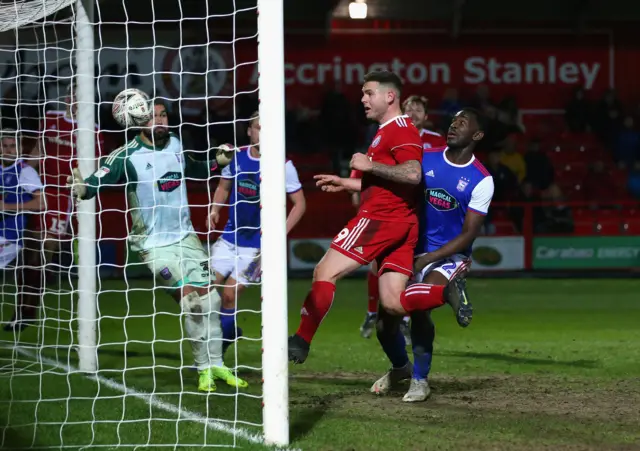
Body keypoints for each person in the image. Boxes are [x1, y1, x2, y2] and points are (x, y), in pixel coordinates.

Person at [67, 98, 247, 393]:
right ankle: (203, 370)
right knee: (191, 303)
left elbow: (197, 169)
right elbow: (100, 179)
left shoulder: (176, 144)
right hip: (152, 244)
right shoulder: (128, 156)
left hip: (186, 237)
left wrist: (218, 162)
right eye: (153, 116)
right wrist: (83, 188)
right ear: (139, 121)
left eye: (163, 115)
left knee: (211, 301)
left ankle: (217, 364)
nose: (160, 121)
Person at [289, 70, 462, 365]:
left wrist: (369, 166)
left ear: (389, 96)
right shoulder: (388, 130)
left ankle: (300, 340)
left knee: (324, 272)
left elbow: (412, 173)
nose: (363, 99)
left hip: (380, 220)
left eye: (369, 93)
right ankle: (443, 292)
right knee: (394, 304)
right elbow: (393, 183)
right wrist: (349, 183)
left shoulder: (399, 129)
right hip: (402, 223)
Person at [371, 108, 494, 403]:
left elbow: (468, 234)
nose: (454, 126)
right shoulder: (426, 160)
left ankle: (420, 381)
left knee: (418, 307)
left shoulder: (481, 179)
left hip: (449, 255)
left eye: (462, 123)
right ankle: (401, 368)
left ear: (476, 135)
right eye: (453, 121)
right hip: (409, 248)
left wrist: (428, 258)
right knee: (383, 324)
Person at [207, 112, 306, 355]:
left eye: (267, 128)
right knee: (204, 293)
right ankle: (228, 333)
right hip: (228, 240)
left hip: (257, 249)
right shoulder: (235, 157)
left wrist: (278, 235)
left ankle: (215, 356)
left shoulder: (282, 165)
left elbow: (300, 204)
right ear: (249, 131)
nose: (262, 133)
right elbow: (223, 186)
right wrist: (214, 209)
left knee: (229, 296)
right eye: (258, 128)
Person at [10, 82, 107, 328]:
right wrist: (19, 174)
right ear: (66, 98)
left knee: (42, 253)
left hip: (64, 198)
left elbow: (95, 167)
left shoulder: (92, 129)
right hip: (40, 193)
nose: (73, 99)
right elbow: (37, 154)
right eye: (71, 94)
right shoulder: (50, 117)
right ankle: (24, 308)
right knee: (28, 254)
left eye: (80, 95)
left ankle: (26, 312)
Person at [359, 95, 445, 345]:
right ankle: (374, 312)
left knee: (414, 265)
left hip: (425, 210)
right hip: (393, 208)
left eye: (419, 109)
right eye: (409, 108)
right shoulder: (391, 133)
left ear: (426, 116)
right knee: (378, 266)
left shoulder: (436, 141)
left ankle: (407, 320)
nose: (414, 112)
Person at [1, 130, 45, 331]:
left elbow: (41, 203)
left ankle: (26, 312)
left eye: (13, 146)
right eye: (5, 146)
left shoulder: (25, 171)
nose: (9, 150)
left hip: (11, 236)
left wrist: (7, 207)